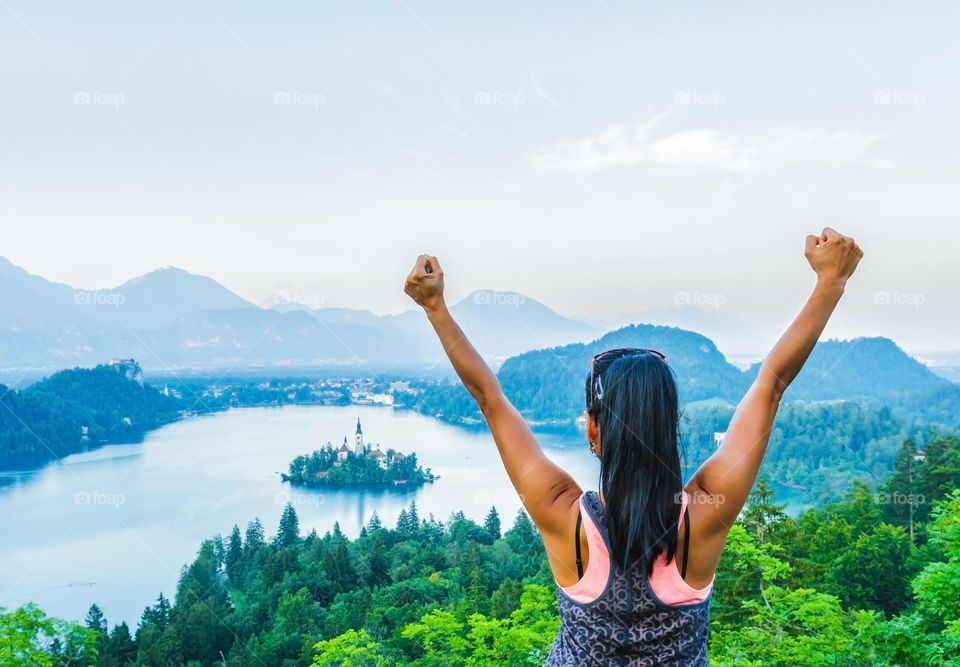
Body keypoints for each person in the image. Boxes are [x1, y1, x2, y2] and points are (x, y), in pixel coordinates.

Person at [402, 228, 863, 665]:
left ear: (593, 430)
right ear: (668, 427)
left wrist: (435, 306)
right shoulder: (702, 515)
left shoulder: (561, 514)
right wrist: (831, 281)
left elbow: (490, 399)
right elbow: (772, 384)